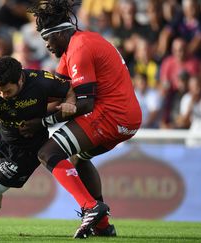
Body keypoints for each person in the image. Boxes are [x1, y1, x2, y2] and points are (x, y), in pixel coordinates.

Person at [0, 56, 106, 238]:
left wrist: (70, 103)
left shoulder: (41, 81)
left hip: (25, 152)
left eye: (7, 91)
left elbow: (69, 89)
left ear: (20, 79)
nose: (3, 95)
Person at [26, 0, 142, 238]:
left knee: (47, 153)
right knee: (79, 158)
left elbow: (85, 103)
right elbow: (55, 94)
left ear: (59, 33)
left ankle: (91, 207)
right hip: (126, 117)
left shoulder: (79, 48)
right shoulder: (77, 45)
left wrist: (43, 123)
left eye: (47, 39)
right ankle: (103, 226)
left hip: (111, 115)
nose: (46, 45)